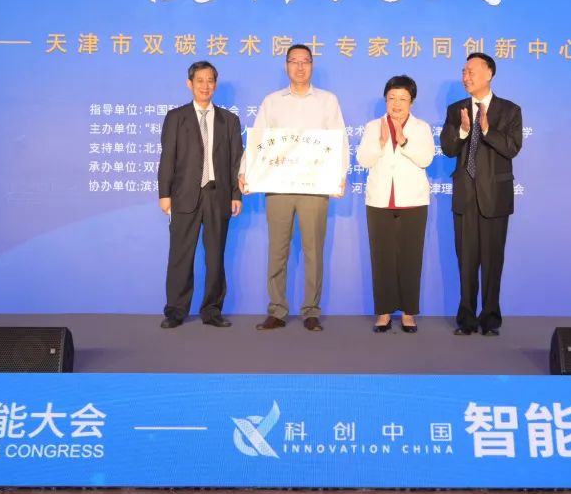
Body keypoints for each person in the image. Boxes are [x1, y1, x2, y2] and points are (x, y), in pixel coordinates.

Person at [239, 44, 349, 332]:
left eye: (305, 62)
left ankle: (311, 310)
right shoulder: (272, 102)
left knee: (314, 250)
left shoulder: (327, 101)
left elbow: (339, 140)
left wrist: (339, 175)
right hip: (278, 186)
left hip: (315, 185)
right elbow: (258, 141)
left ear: (312, 65)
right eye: (294, 62)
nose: (300, 67)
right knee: (278, 249)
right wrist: (246, 171)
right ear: (286, 65)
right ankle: (277, 310)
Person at [439, 53, 523, 336]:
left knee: (492, 261)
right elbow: (448, 149)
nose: (466, 77)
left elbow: (512, 147)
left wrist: (486, 128)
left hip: (495, 197)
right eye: (464, 72)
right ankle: (466, 319)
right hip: (465, 196)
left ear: (489, 74)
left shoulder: (510, 111)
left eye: (471, 71)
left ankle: (489, 319)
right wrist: (464, 131)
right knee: (466, 261)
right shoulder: (456, 110)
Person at [157, 61, 243, 329]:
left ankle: (212, 310)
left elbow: (236, 162)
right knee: (180, 256)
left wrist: (236, 194)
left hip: (218, 195)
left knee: (215, 257)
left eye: (210, 80)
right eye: (200, 80)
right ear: (190, 84)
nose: (205, 86)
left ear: (215, 84)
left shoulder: (229, 120)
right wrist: (164, 193)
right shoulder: (176, 117)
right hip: (183, 195)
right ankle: (176, 310)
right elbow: (167, 158)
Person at [356, 75, 435, 334]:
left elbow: (426, 159)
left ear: (412, 101)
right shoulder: (373, 127)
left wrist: (403, 140)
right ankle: (384, 312)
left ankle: (409, 313)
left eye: (402, 98)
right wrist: (380, 143)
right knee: (382, 258)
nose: (396, 104)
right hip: (379, 202)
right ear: (385, 100)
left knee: (411, 258)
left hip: (413, 201)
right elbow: (363, 160)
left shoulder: (421, 128)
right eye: (391, 98)